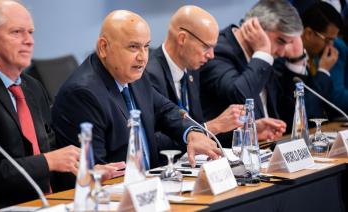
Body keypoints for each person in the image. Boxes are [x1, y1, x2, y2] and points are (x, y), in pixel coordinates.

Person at [0, 0, 123, 209]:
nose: (29, 41)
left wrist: (86, 173)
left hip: (51, 203)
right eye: (17, 32)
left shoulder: (32, 87)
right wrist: (48, 161)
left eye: (30, 32)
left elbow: (52, 156)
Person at [52, 10, 221, 169]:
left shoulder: (134, 75)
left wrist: (192, 132)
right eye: (133, 47)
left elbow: (165, 110)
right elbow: (94, 172)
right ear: (104, 47)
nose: (143, 57)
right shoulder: (82, 95)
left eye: (146, 46)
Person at [146, 5, 286, 147]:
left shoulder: (192, 69)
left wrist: (247, 130)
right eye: (206, 47)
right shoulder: (149, 75)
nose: (211, 55)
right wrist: (213, 126)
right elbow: (153, 143)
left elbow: (202, 135)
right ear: (182, 39)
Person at [199, 0, 305, 133]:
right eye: (281, 41)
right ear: (256, 27)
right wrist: (263, 54)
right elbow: (240, 98)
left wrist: (296, 61)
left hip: (269, 146)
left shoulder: (265, 56)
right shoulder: (218, 52)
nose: (282, 52)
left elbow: (289, 119)